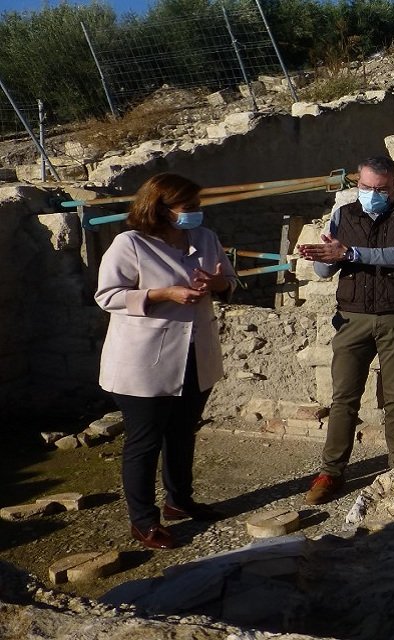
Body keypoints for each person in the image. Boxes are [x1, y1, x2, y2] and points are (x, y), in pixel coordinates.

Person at [95, 173, 234, 550]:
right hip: (144, 360)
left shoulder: (205, 238)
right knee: (144, 441)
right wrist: (163, 294)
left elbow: (229, 280)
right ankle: (143, 521)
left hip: (195, 353)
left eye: (198, 206)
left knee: (183, 432)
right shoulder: (131, 243)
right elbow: (107, 296)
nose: (196, 213)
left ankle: (179, 500)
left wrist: (218, 284)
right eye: (188, 207)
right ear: (160, 208)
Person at [297, 155, 394, 505]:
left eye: (381, 189)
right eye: (366, 187)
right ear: (358, 183)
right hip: (352, 317)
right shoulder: (343, 214)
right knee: (343, 396)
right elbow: (326, 272)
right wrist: (322, 257)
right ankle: (331, 471)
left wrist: (351, 253)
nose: (372, 194)